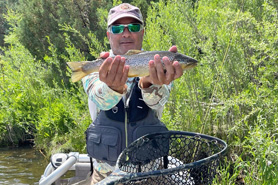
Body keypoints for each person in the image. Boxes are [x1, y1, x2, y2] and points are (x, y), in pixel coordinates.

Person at [82, 3, 183, 184]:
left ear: (142, 33)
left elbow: (156, 103)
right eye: (118, 28)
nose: (126, 33)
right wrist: (113, 87)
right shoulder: (95, 69)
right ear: (109, 34)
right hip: (105, 175)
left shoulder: (159, 66)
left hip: (150, 174)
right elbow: (101, 100)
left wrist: (149, 83)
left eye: (134, 27)